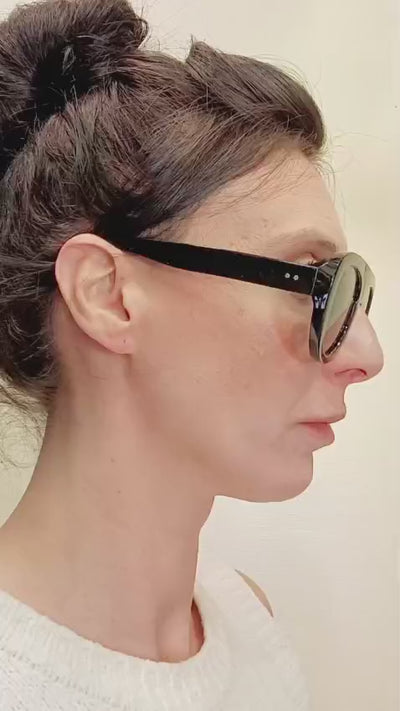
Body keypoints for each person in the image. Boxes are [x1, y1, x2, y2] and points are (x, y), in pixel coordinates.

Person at [0, 0, 383, 709]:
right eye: (313, 282)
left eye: (352, 287)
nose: (365, 352)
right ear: (109, 295)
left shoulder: (249, 623)